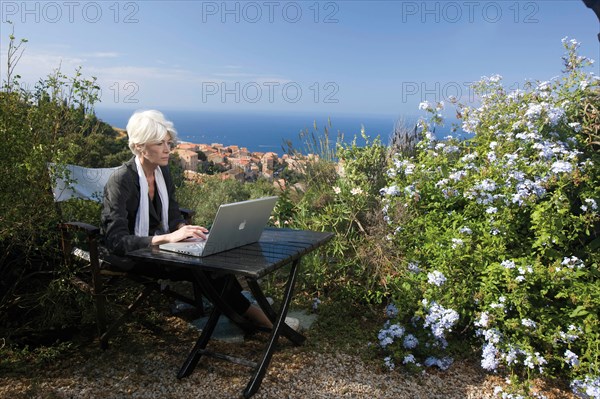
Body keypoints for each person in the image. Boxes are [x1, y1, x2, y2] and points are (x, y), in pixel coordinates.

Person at [101, 109, 272, 329]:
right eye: (160, 144)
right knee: (202, 267)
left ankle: (240, 311)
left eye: (168, 143)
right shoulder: (121, 180)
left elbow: (172, 214)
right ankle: (257, 317)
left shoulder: (162, 172)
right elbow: (115, 241)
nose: (168, 150)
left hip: (159, 246)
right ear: (140, 146)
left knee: (212, 253)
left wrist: (185, 229)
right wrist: (168, 238)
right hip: (133, 256)